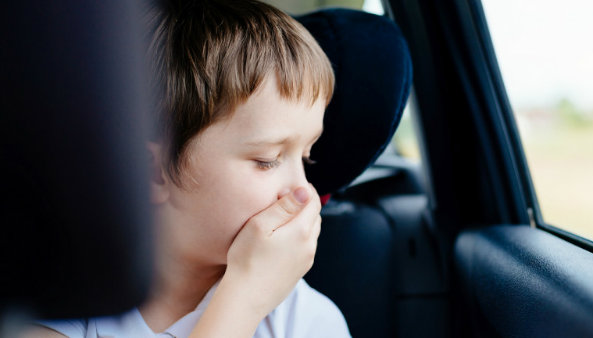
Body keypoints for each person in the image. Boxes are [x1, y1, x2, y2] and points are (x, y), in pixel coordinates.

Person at [24, 0, 351, 337]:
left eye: (307, 156)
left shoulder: (307, 321)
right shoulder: (65, 300)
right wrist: (245, 298)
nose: (304, 191)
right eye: (267, 159)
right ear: (153, 171)